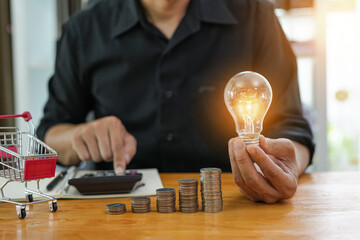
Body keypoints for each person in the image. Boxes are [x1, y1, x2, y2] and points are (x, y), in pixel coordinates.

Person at [38, 0, 315, 203]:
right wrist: (78, 137)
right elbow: (50, 134)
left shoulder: (256, 16)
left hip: (235, 208)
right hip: (120, 212)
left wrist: (287, 166)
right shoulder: (84, 30)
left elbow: (293, 128)